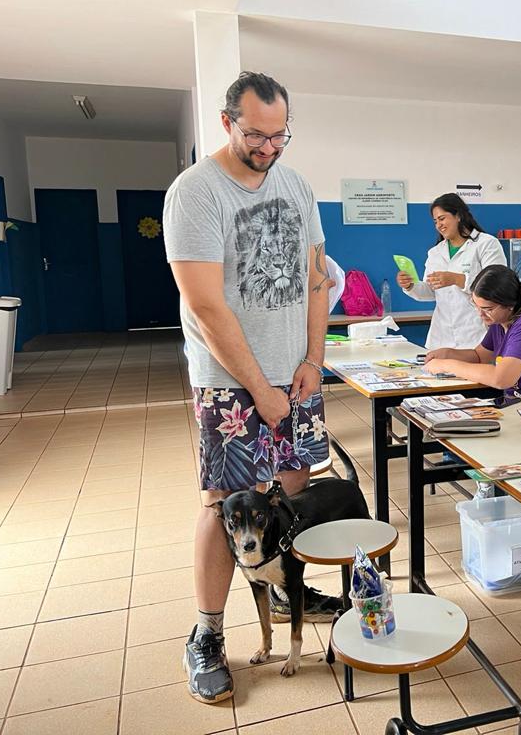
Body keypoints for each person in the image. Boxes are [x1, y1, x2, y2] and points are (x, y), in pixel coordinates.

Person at [164, 71, 336, 704]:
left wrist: (314, 360)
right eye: (257, 134)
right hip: (229, 383)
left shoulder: (298, 187)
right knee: (224, 504)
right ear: (227, 122)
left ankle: (294, 589)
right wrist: (258, 388)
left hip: (295, 376)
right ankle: (207, 633)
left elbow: (318, 280)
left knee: (292, 493)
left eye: (280, 134)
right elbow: (206, 306)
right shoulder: (195, 194)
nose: (270, 146)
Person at [423, 264, 521, 499]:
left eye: (487, 309)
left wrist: (447, 365)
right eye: (477, 307)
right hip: (519, 406)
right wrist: (447, 353)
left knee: (476, 434)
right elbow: (480, 356)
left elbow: (501, 378)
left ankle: (496, 488)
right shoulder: (502, 322)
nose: (481, 314)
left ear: (509, 304)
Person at [396, 193, 506, 350]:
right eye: (435, 221)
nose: (438, 225)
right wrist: (410, 286)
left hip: (476, 337)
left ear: (459, 216)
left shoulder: (486, 243)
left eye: (442, 218)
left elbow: (497, 286)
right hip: (441, 339)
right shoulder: (435, 252)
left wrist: (456, 279)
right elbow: (430, 291)